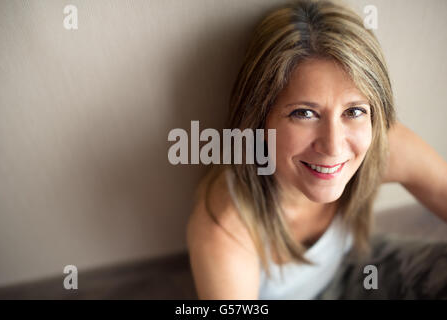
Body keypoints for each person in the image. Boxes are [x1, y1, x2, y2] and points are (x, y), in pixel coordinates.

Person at [186, 0, 447, 299]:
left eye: (354, 111)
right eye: (304, 113)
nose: (333, 146)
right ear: (258, 118)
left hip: (358, 266)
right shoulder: (225, 228)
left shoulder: (382, 144)